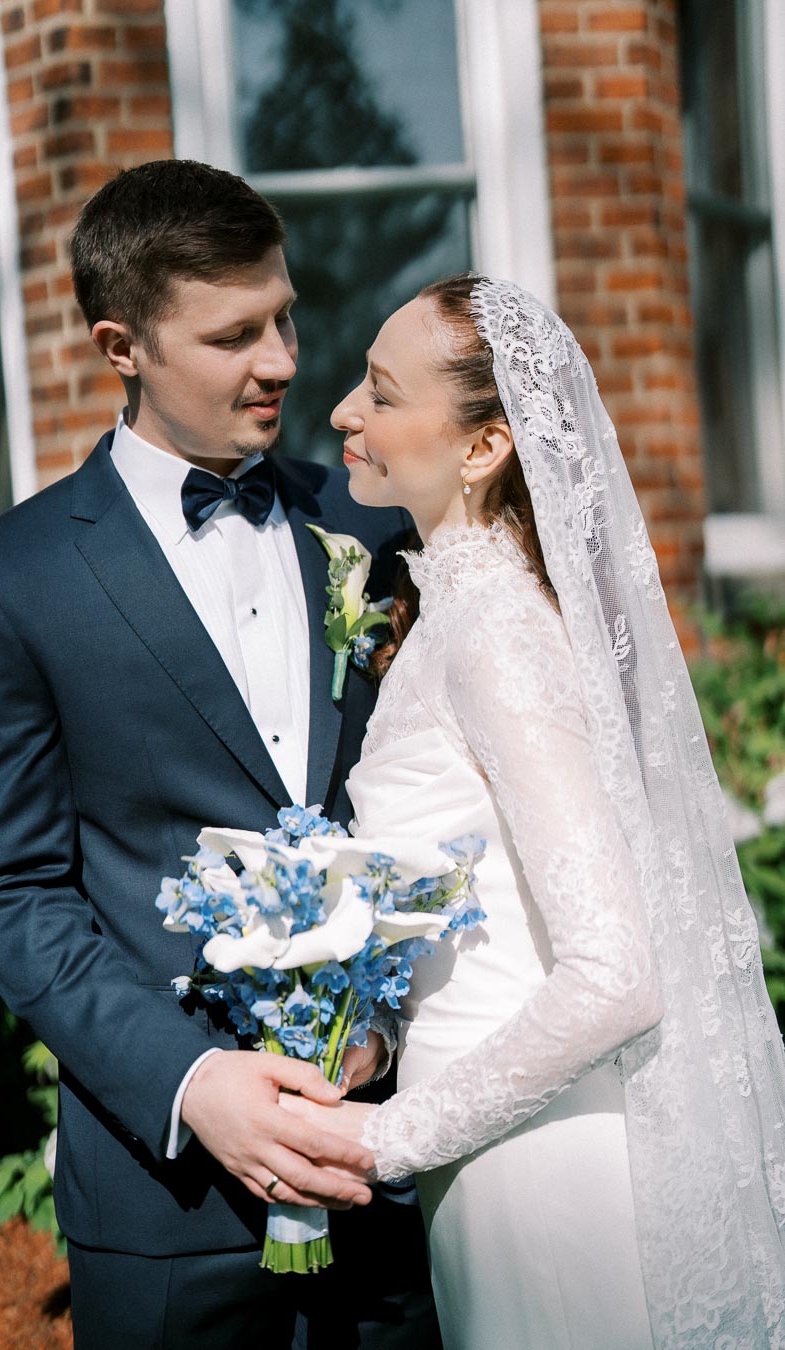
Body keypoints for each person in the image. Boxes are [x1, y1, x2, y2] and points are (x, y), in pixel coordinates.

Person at [0, 159, 440, 1349]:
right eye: (232, 335)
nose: (282, 361)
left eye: (284, 318)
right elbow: (12, 890)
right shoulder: (12, 583)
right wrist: (193, 1083)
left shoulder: (373, 525)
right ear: (124, 345)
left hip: (395, 1170)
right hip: (169, 1216)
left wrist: (396, 1025)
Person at [280, 274, 785, 1349]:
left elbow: (616, 977)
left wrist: (384, 1141)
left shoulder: (498, 630)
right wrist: (367, 1031)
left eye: (380, 391)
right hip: (495, 1146)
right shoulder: (456, 608)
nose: (341, 415)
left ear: (484, 446)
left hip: (545, 1165)